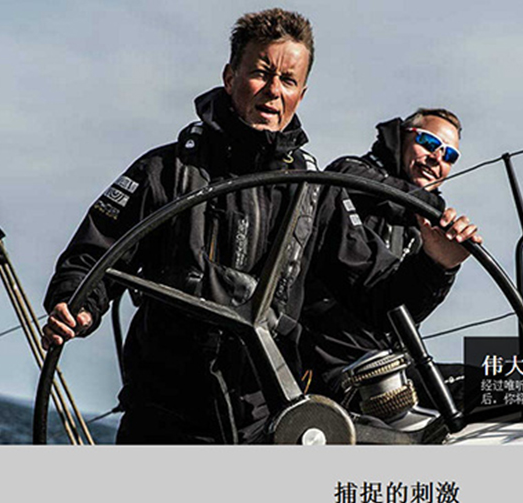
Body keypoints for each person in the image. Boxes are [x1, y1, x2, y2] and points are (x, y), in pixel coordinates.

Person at [39, 8, 480, 444]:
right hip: (162, 416)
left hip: (263, 424)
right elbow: (94, 254)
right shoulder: (166, 170)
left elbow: (379, 299)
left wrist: (437, 263)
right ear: (230, 77)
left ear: (301, 94)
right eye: (261, 73)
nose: (273, 91)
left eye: (288, 80)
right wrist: (77, 304)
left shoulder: (315, 193)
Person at [300, 109, 478, 409]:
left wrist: (441, 265)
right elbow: (375, 297)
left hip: (390, 366)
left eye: (450, 156)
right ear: (402, 136)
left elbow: (401, 310)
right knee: (509, 387)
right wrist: (431, 210)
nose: (437, 158)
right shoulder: (349, 176)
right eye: (429, 142)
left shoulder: (421, 231)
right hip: (339, 369)